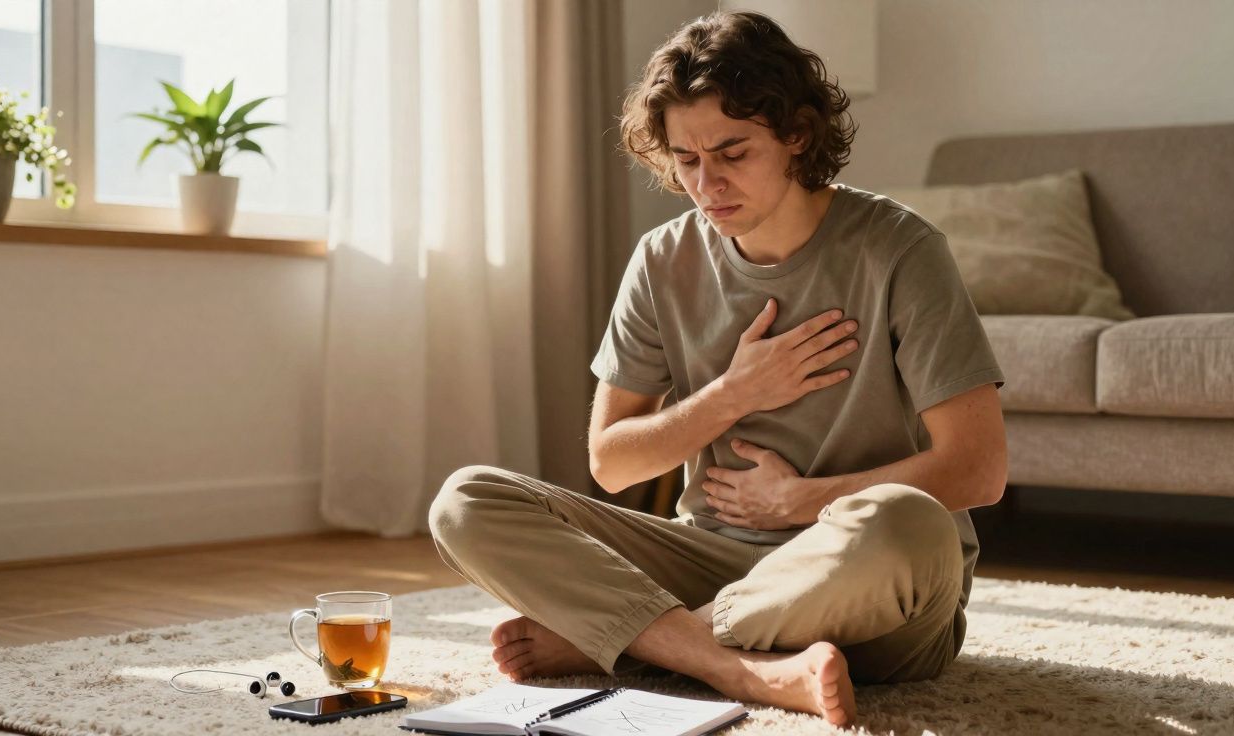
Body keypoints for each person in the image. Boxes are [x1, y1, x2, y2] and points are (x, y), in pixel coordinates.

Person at [428, 10, 1007, 728]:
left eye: (733, 153)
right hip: (715, 557)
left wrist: (798, 502)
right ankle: (734, 666)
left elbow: (979, 468)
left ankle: (641, 640)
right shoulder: (662, 259)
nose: (708, 184)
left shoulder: (898, 250)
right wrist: (733, 394)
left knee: (910, 526)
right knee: (465, 500)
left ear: (795, 134)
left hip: (871, 588)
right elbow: (610, 463)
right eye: (687, 160)